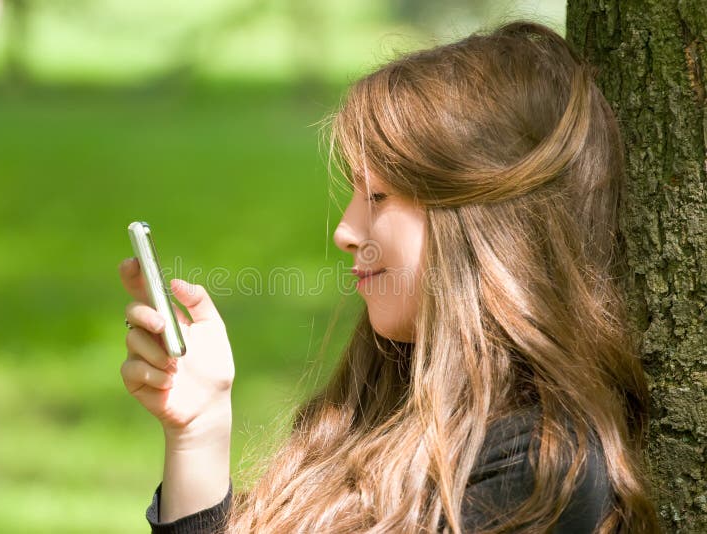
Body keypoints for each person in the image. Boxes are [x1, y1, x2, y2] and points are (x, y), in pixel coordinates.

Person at [118, 20, 661, 533]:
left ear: (484, 225)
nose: (346, 231)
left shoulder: (536, 472)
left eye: (377, 196)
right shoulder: (375, 404)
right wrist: (200, 434)